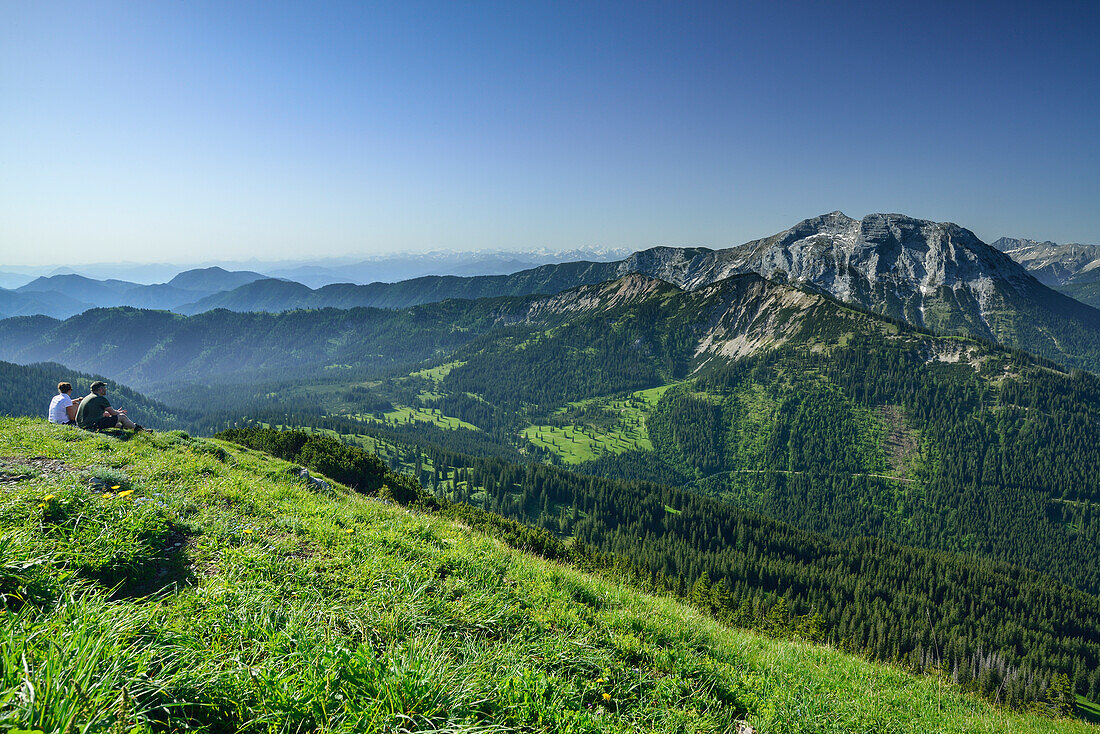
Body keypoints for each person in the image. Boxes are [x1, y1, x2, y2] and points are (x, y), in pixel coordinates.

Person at [75, 380, 146, 432]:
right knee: (122, 417)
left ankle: (133, 428)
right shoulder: (100, 398)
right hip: (91, 426)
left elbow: (94, 412)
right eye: (104, 388)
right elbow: (113, 413)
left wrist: (115, 412)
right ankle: (140, 431)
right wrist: (119, 413)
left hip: (82, 425)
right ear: (100, 389)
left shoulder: (88, 397)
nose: (105, 389)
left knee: (117, 425)